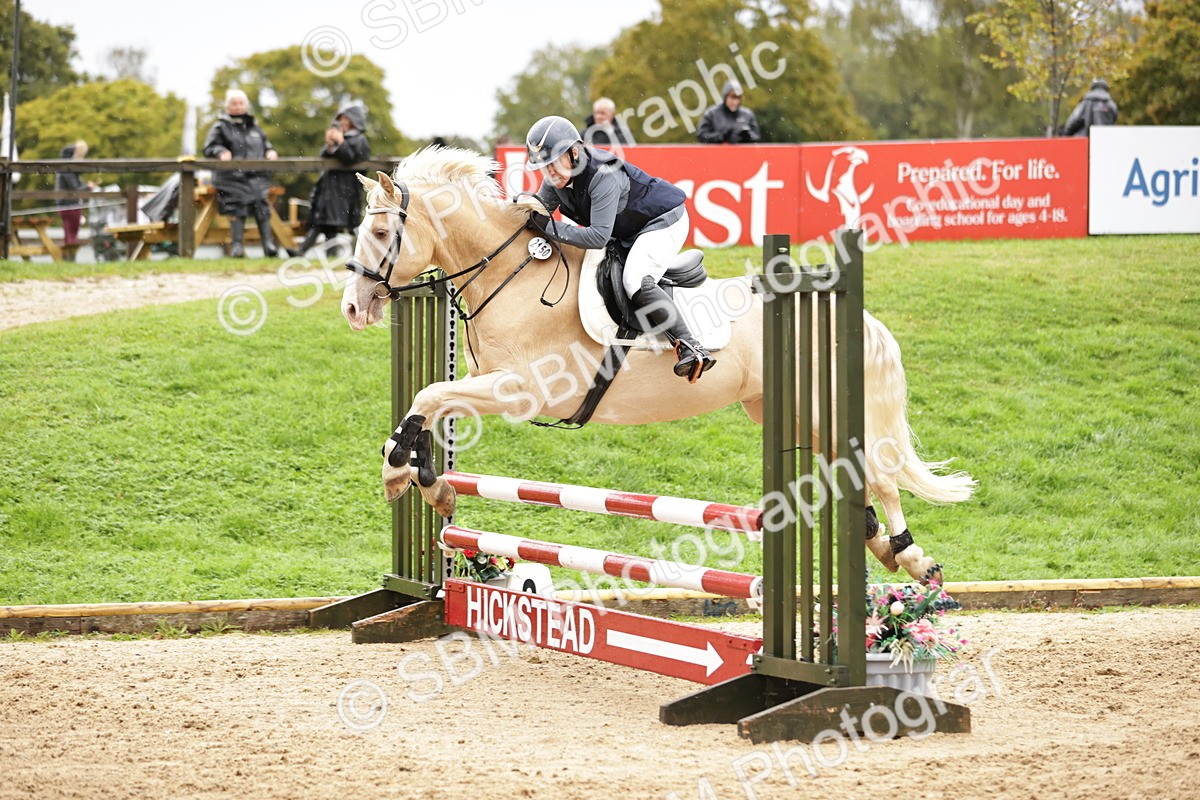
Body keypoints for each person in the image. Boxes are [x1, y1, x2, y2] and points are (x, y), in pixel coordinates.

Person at [524, 115, 715, 382]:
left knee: (634, 280)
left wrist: (549, 228)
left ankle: (691, 346)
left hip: (663, 220)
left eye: (553, 163)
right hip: (627, 229)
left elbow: (597, 237)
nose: (549, 173)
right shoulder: (555, 180)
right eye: (543, 167)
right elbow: (535, 216)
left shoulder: (603, 175)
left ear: (574, 153)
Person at [202, 89, 280, 258]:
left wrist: (271, 151)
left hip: (256, 176)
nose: (237, 107)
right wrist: (220, 151)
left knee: (261, 200)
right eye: (234, 103)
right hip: (230, 177)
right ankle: (237, 246)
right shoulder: (220, 126)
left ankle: (268, 244)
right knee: (238, 201)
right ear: (227, 106)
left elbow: (267, 145)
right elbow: (208, 147)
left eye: (240, 103)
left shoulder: (255, 128)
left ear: (246, 105)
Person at [288, 104, 371, 257]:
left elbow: (350, 159)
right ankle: (317, 253)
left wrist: (341, 143)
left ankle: (361, 255)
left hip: (347, 189)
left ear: (354, 121)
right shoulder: (343, 138)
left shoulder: (359, 139)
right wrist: (330, 145)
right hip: (330, 189)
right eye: (341, 119)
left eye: (346, 119)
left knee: (350, 224)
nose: (343, 122)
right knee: (325, 222)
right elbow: (324, 157)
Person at [55, 140, 95, 261]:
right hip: (70, 205)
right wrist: (87, 187)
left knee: (69, 233)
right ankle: (70, 259)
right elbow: (75, 188)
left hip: (66, 205)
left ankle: (68, 259)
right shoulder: (67, 170)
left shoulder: (65, 170)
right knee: (72, 234)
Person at [697, 80, 760, 144]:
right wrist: (721, 136)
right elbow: (702, 136)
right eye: (732, 98)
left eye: (738, 98)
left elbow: (757, 137)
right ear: (725, 97)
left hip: (741, 153)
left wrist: (748, 136)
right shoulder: (711, 114)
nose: (735, 102)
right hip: (718, 153)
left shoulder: (747, 115)